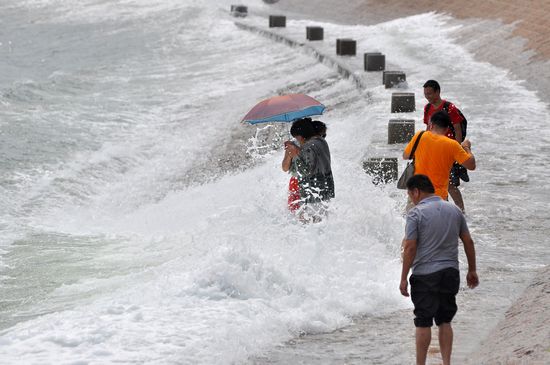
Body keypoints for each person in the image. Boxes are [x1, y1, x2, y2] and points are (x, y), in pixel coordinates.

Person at [400, 174, 479, 365]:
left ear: (416, 191)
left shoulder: (416, 214)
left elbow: (410, 247)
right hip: (450, 272)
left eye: (411, 195)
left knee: (423, 321)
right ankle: (446, 363)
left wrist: (403, 277)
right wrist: (472, 270)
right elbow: (468, 241)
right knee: (445, 320)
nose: (411, 199)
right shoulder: (454, 210)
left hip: (425, 275)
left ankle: (420, 363)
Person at [403, 110, 476, 202]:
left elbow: (405, 156)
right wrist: (466, 147)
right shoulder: (452, 145)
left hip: (416, 194)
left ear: (431, 125)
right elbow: (471, 165)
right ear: (446, 129)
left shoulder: (420, 136)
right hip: (438, 198)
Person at [423, 80, 469, 212]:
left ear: (438, 92)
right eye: (425, 94)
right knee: (437, 183)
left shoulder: (449, 108)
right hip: (434, 151)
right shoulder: (427, 108)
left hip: (449, 150)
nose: (428, 97)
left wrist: (457, 150)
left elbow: (457, 129)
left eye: (430, 93)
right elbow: (428, 128)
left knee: (450, 184)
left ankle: (461, 211)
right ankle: (445, 211)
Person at [283, 118, 334, 221]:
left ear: (300, 136)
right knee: (321, 225)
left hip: (313, 195)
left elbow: (305, 171)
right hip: (323, 192)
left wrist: (296, 153)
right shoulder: (321, 142)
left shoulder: (310, 146)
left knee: (309, 225)